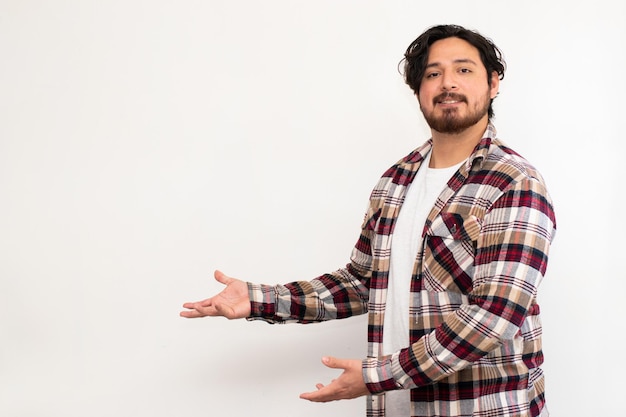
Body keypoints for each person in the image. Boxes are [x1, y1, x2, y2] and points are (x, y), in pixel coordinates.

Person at [180, 24, 556, 417]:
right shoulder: (395, 181)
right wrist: (261, 299)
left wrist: (377, 375)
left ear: (493, 83)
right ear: (418, 90)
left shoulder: (514, 182)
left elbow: (493, 318)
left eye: (464, 70)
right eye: (433, 73)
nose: (447, 83)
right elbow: (363, 282)